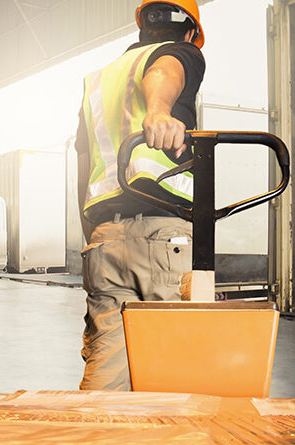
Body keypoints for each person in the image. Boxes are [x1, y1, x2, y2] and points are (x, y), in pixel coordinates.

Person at [74, 0, 206, 391]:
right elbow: (167, 71)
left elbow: (83, 165)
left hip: (104, 239)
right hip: (164, 237)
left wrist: (93, 236)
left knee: (107, 372)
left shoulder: (100, 79)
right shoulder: (183, 53)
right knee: (178, 371)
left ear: (142, 28)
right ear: (189, 32)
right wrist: (159, 111)